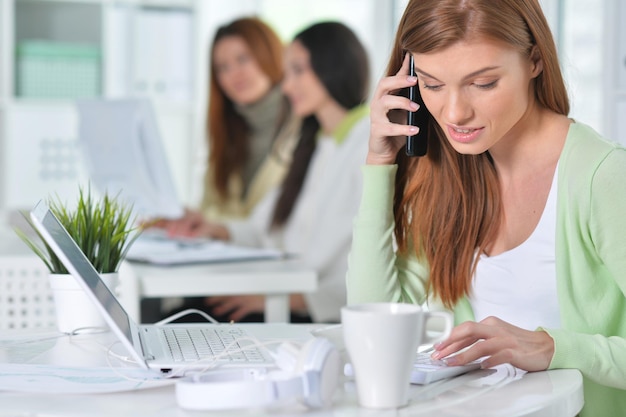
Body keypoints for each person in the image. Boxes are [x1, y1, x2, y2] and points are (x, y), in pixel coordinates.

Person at [346, 1, 626, 416]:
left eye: (483, 83)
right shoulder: (446, 178)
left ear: (533, 60)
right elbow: (374, 325)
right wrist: (379, 162)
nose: (455, 112)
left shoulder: (603, 176)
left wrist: (555, 347)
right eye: (432, 85)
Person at [168, 21, 371, 324]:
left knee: (185, 322)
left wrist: (277, 298)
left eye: (298, 71)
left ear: (334, 66)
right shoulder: (314, 144)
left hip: (317, 312)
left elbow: (373, 273)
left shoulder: (369, 145)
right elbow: (263, 228)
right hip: (284, 295)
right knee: (183, 314)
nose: (287, 86)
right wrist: (215, 229)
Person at [166, 16, 300, 230]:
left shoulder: (305, 126)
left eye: (243, 59)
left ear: (270, 55)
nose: (233, 74)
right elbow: (211, 208)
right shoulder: (226, 131)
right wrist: (193, 221)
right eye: (222, 67)